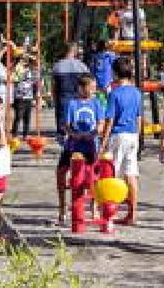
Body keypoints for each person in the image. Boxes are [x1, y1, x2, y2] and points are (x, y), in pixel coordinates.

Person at [99, 56, 141, 226]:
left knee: (112, 174)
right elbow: (138, 117)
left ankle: (110, 212)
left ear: (115, 73)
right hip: (133, 135)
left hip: (118, 134)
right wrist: (138, 135)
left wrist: (103, 142)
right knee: (131, 174)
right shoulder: (137, 92)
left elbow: (109, 120)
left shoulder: (114, 94)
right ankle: (133, 213)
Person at [56, 73, 103, 225]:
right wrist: (73, 134)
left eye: (95, 87)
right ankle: (63, 208)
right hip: (72, 145)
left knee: (94, 177)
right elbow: (66, 125)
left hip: (90, 145)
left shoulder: (97, 103)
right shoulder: (72, 104)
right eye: (92, 87)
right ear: (82, 88)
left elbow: (101, 123)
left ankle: (94, 207)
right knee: (61, 171)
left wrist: (94, 134)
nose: (94, 90)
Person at [51, 43, 89, 135]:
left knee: (63, 128)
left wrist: (54, 99)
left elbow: (54, 87)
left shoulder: (57, 66)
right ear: (75, 51)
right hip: (79, 99)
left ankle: (65, 145)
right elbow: (88, 85)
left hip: (63, 99)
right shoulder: (82, 66)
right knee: (78, 125)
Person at [10, 55, 37, 139]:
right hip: (19, 96)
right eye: (22, 60)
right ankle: (14, 134)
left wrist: (35, 95)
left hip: (28, 96)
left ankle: (25, 134)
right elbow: (13, 79)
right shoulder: (16, 69)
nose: (24, 61)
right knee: (18, 116)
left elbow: (35, 83)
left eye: (26, 60)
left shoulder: (31, 70)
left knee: (27, 117)